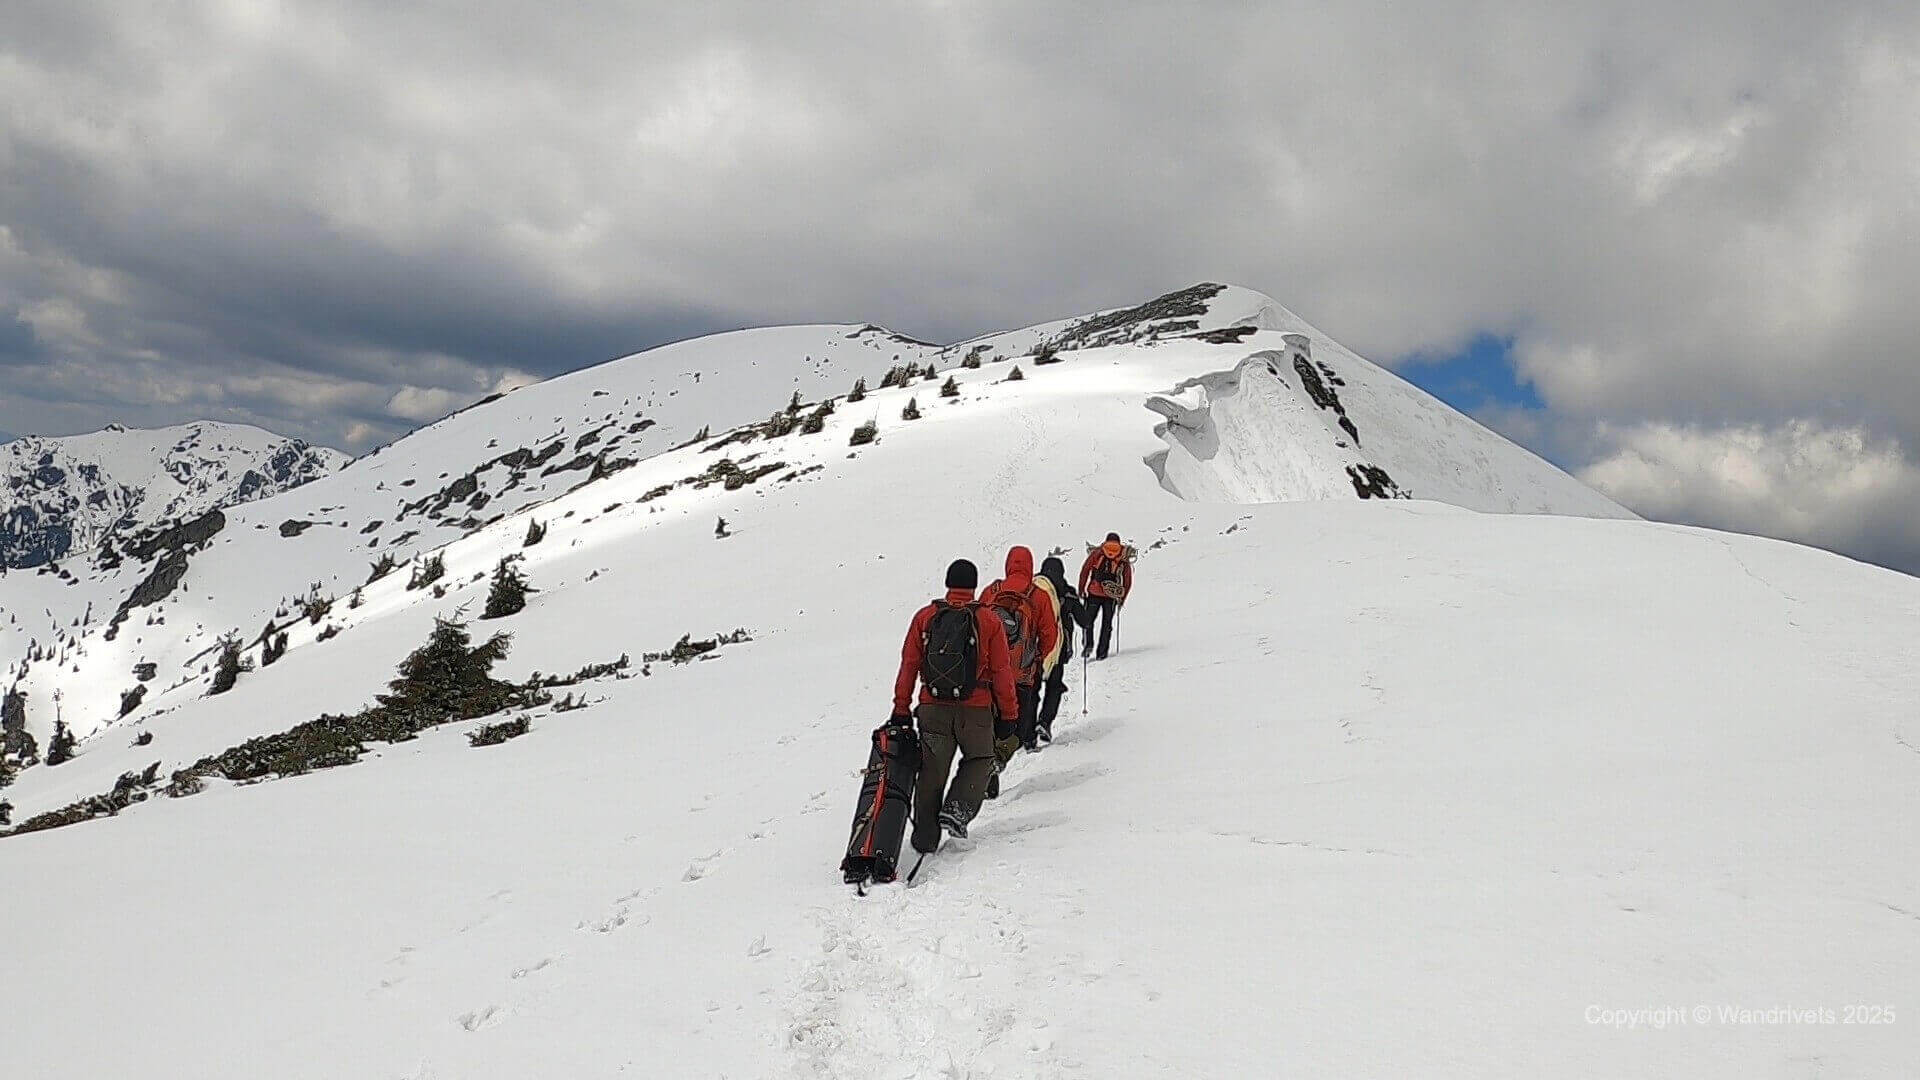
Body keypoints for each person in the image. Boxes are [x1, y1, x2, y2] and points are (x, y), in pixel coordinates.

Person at [891, 558, 1019, 851]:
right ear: (973, 586)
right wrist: (1009, 714)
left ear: (948, 583)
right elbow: (1002, 671)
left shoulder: (925, 617)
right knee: (980, 760)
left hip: (933, 709)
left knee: (931, 775)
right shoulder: (988, 620)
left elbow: (909, 665)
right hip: (975, 711)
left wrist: (901, 707)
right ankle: (958, 808)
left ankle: (924, 841)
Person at [980, 546, 1060, 782]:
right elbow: (1050, 635)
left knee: (989, 725)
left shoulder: (991, 592)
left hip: (989, 675)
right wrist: (1035, 659)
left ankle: (986, 775)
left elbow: (975, 624)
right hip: (1021, 675)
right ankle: (998, 759)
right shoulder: (1039, 596)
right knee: (1016, 728)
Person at [1036, 555, 1083, 743]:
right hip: (1058, 649)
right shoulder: (1068, 593)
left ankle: (1027, 734)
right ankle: (1045, 722)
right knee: (1054, 687)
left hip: (1033, 647)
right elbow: (1085, 620)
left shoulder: (1033, 589)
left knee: (1031, 689)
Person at [1078, 532, 1134, 661]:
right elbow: (1127, 580)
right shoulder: (1122, 556)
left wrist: (1081, 589)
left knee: (1088, 620)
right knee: (1106, 624)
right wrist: (1122, 598)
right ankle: (1102, 653)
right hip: (1111, 595)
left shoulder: (1098, 552)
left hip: (1094, 592)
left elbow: (1085, 569)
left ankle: (1088, 644)